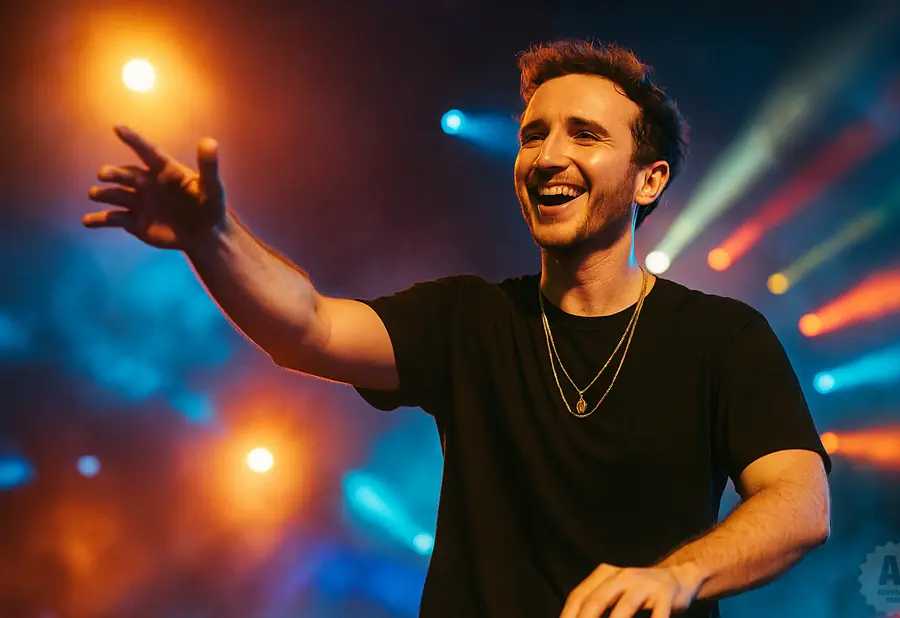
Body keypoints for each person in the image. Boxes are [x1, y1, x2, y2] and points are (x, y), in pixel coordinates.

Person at [83, 39, 831, 618]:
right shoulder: (467, 319)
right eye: (533, 134)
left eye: (584, 135)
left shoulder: (723, 339)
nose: (549, 156)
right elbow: (306, 329)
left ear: (649, 179)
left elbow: (800, 504)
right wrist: (210, 236)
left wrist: (677, 575)